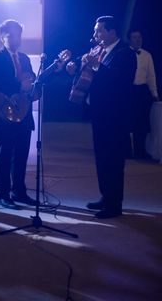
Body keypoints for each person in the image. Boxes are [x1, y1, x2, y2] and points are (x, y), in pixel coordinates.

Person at [67, 16, 137, 219]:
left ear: (112, 32)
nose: (95, 35)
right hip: (99, 113)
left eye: (99, 31)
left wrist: (96, 66)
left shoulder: (125, 53)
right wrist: (75, 69)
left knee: (114, 159)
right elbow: (88, 79)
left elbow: (120, 80)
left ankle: (115, 205)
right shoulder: (99, 51)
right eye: (95, 31)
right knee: (101, 157)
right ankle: (106, 196)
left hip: (115, 116)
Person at [0, 19, 37, 210]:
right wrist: (19, 85)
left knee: (22, 153)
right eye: (11, 35)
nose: (16, 39)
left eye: (19, 35)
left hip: (23, 112)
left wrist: (32, 83)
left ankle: (19, 191)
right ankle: (2, 194)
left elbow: (30, 78)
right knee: (5, 152)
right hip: (4, 113)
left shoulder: (24, 58)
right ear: (2, 38)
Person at [128, 30, 158, 159]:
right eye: (134, 37)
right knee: (127, 122)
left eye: (139, 37)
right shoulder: (124, 54)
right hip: (127, 91)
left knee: (142, 123)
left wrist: (154, 93)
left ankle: (140, 151)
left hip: (141, 91)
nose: (137, 39)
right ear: (129, 39)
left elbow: (151, 75)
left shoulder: (147, 55)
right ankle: (126, 151)